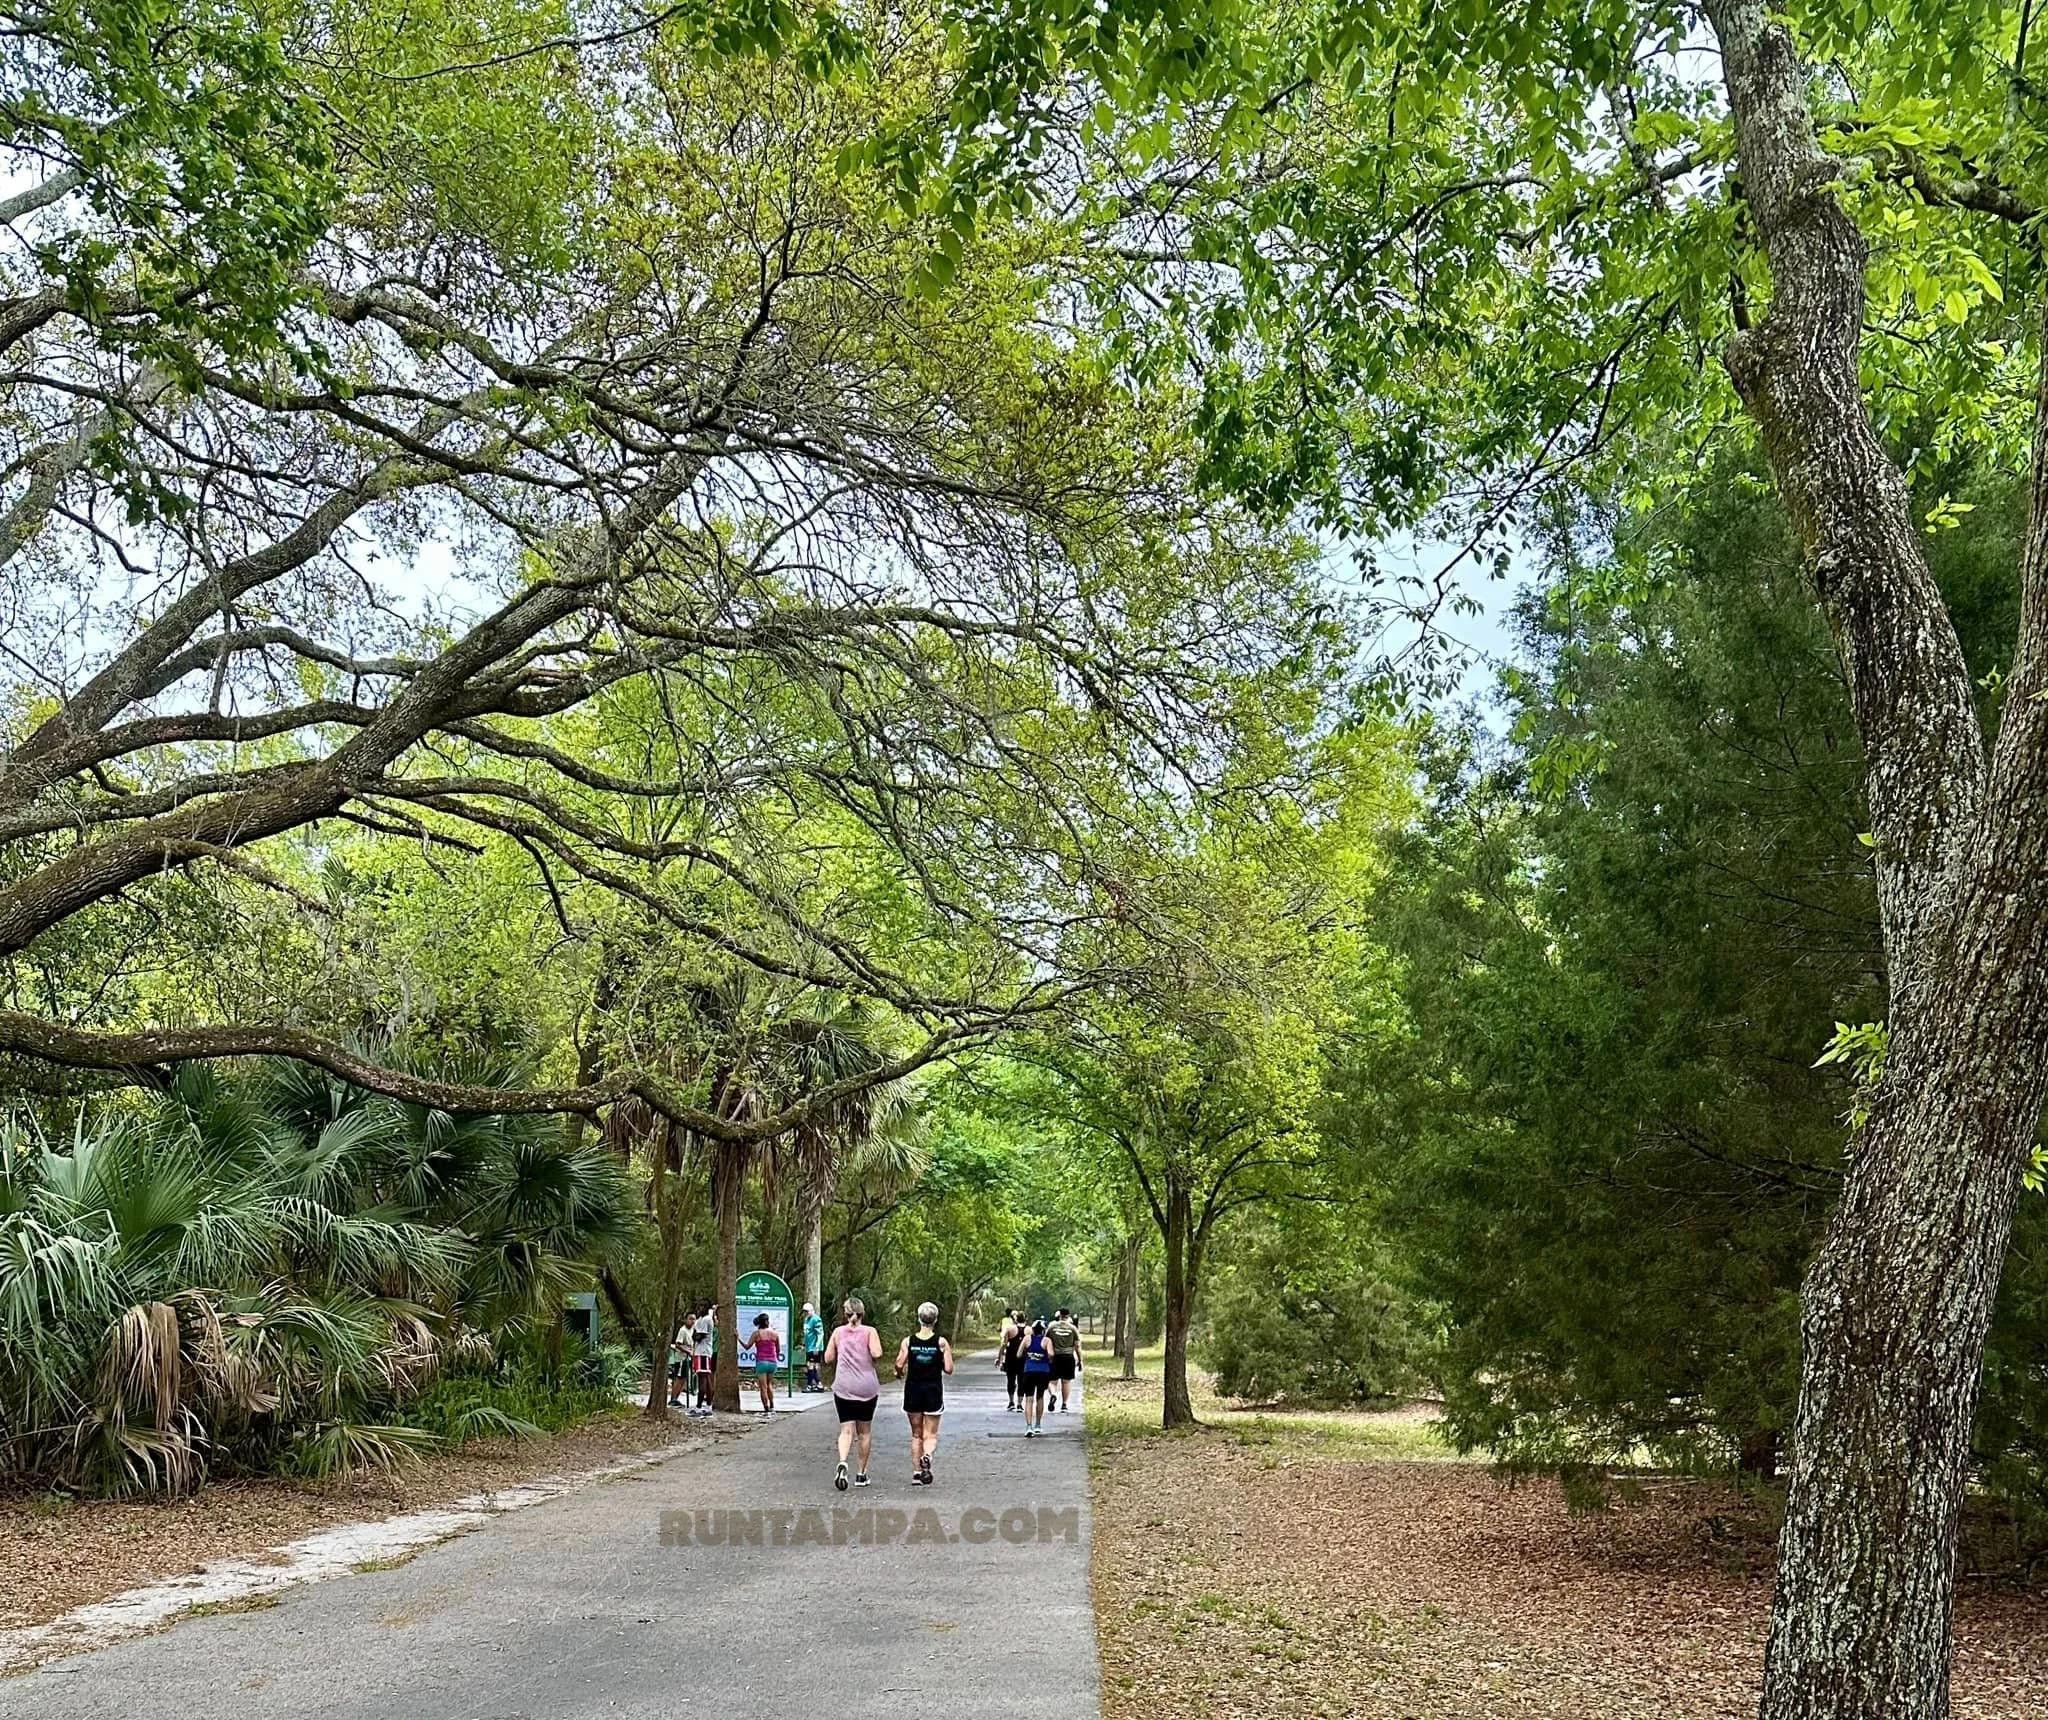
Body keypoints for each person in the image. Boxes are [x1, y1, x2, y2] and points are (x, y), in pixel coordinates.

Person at [824, 1297, 883, 1489]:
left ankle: (842, 1461)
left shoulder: (838, 1332)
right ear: (862, 1313)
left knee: (846, 1430)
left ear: (846, 1313)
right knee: (864, 1432)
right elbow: (876, 1353)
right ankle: (861, 1474)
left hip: (843, 1387)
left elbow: (828, 1358)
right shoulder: (869, 1332)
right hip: (866, 1387)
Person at [895, 1302, 953, 1485]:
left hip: (913, 1390)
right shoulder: (941, 1343)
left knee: (916, 1434)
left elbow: (898, 1364)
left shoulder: (908, 1341)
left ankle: (917, 1474)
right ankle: (927, 1456)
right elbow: (949, 1369)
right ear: (935, 1320)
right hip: (933, 1391)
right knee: (931, 1434)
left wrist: (899, 1373)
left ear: (919, 1318)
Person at [741, 1311, 781, 1415]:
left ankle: (766, 1408)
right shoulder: (775, 1334)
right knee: (769, 1385)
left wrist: (738, 1338)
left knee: (763, 1387)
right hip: (772, 1362)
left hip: (761, 1362)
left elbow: (747, 1347)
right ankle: (772, 1405)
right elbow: (778, 1350)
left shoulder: (756, 1334)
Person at [1019, 1317, 1053, 1436]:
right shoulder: (1047, 1340)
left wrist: (1028, 1355)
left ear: (1033, 1330)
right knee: (1040, 1397)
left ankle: (1029, 1427)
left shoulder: (1027, 1338)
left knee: (1029, 1399)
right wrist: (1047, 1358)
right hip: (1043, 1372)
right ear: (1043, 1330)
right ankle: (1038, 1425)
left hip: (1029, 1371)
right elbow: (1051, 1354)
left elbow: (1019, 1354)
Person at [1047, 1307, 1083, 1413]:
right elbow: (1077, 1346)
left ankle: (1053, 1394)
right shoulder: (1072, 1328)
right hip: (1068, 1357)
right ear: (1068, 1316)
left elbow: (1046, 1341)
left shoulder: (1051, 1327)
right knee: (1066, 1382)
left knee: (1052, 1381)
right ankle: (1064, 1404)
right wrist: (1080, 1360)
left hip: (1055, 1357)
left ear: (1059, 1315)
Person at [997, 1309, 1026, 1411]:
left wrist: (999, 1357)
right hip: (1024, 1359)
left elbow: (1003, 1345)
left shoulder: (1010, 1329)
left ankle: (1011, 1401)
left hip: (1011, 1358)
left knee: (1011, 1380)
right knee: (1022, 1380)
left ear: (1015, 1319)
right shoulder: (1029, 1330)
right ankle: (1020, 1403)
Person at [690, 1303, 715, 1416]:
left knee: (703, 1379)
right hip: (700, 1352)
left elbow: (699, 1336)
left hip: (703, 1352)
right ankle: (708, 1405)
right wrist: (695, 1335)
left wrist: (696, 1335)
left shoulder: (706, 1319)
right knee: (705, 1378)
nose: (700, 1308)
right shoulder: (700, 1319)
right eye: (699, 1306)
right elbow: (694, 1335)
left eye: (703, 1306)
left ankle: (700, 1406)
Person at [801, 1302, 826, 1393]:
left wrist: (817, 1346)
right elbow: (807, 1334)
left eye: (807, 1311)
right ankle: (819, 1384)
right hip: (809, 1347)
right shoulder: (806, 1320)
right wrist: (804, 1345)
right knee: (809, 1366)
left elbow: (820, 1333)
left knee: (811, 1366)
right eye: (804, 1312)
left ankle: (809, 1385)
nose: (806, 1313)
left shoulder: (816, 1319)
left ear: (812, 1311)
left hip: (815, 1347)